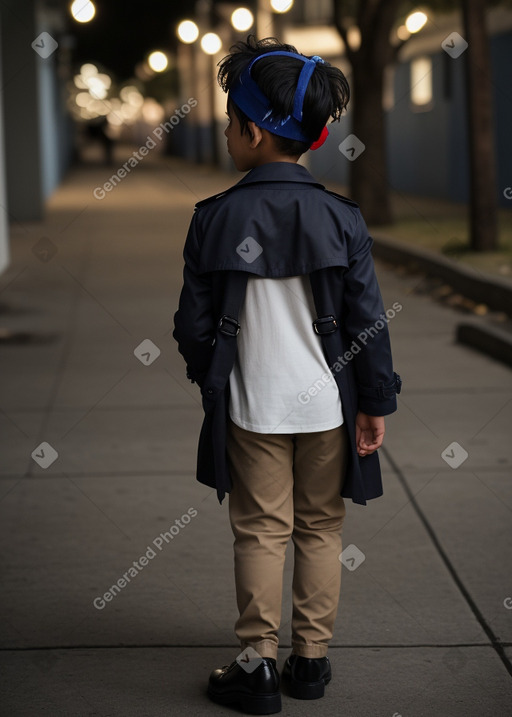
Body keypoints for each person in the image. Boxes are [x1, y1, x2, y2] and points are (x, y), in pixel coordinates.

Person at [173, 35, 401, 715]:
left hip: (252, 407)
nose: (224, 128)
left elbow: (192, 324)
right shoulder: (341, 219)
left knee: (260, 529)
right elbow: (368, 321)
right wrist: (375, 399)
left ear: (252, 131)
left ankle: (257, 666)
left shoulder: (213, 219)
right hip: (328, 405)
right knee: (321, 528)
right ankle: (310, 660)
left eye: (229, 118)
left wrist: (207, 371)